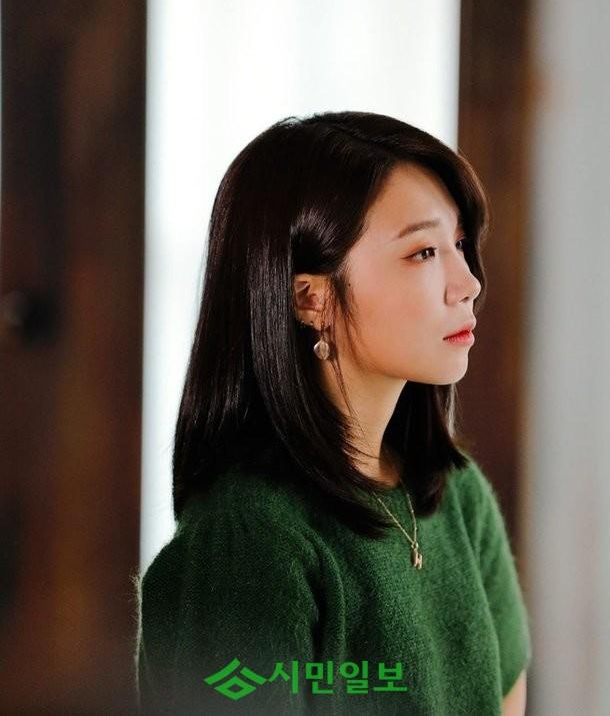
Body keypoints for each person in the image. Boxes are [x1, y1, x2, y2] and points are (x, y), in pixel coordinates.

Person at [133, 111, 532, 714]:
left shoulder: (457, 495)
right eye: (424, 252)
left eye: (458, 244)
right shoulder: (249, 545)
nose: (468, 282)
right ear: (310, 298)